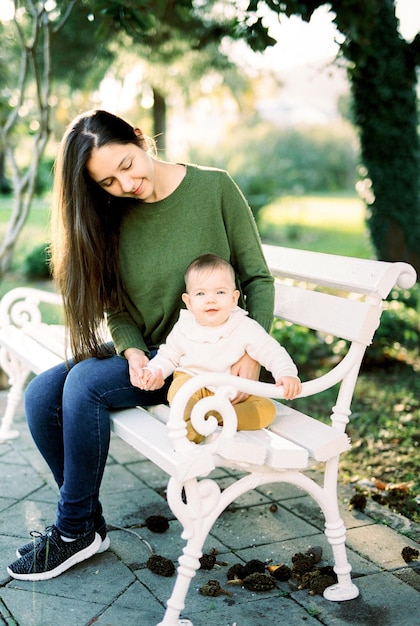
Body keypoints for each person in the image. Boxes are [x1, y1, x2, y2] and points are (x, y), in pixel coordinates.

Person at [7, 109, 275, 581]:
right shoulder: (113, 217)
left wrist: (250, 359)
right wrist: (131, 352)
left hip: (209, 359)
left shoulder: (214, 188)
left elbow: (257, 277)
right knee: (40, 394)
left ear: (139, 138)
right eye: (107, 181)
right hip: (155, 357)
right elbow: (119, 310)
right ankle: (88, 525)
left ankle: (73, 532)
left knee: (85, 384)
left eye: (127, 165)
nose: (124, 185)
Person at [139, 254, 302, 442]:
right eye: (201, 293)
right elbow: (167, 357)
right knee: (179, 392)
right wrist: (152, 371)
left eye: (220, 293)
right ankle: (190, 431)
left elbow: (271, 351)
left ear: (234, 298)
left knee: (267, 410)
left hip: (232, 393)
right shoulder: (184, 327)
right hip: (193, 383)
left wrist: (286, 373)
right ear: (189, 302)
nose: (211, 300)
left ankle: (214, 415)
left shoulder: (244, 326)